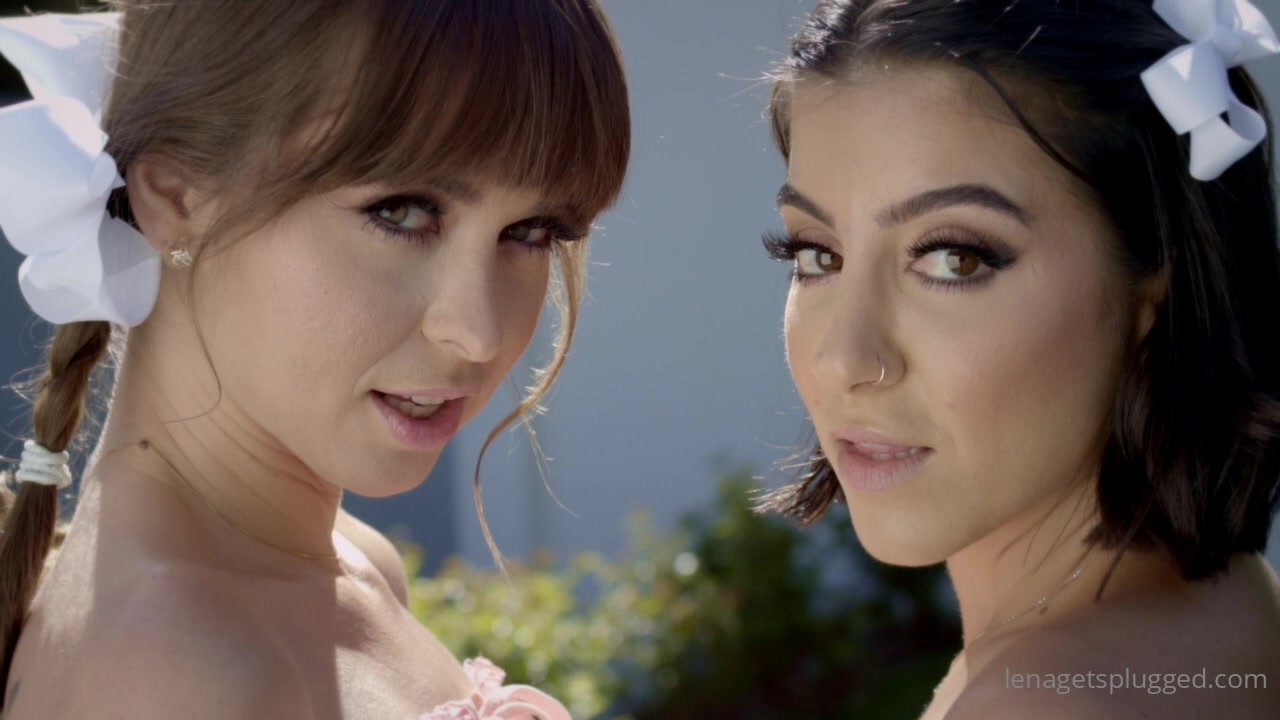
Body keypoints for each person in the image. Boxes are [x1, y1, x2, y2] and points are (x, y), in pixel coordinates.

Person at [0, 1, 629, 717]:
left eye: (533, 231)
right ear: (177, 196)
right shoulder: (175, 669)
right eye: (401, 212)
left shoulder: (349, 566)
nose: (478, 333)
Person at [758, 0, 1280, 716]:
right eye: (818, 254)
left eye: (955, 259)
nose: (844, 360)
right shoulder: (1234, 605)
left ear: (1155, 280)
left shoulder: (1040, 702)